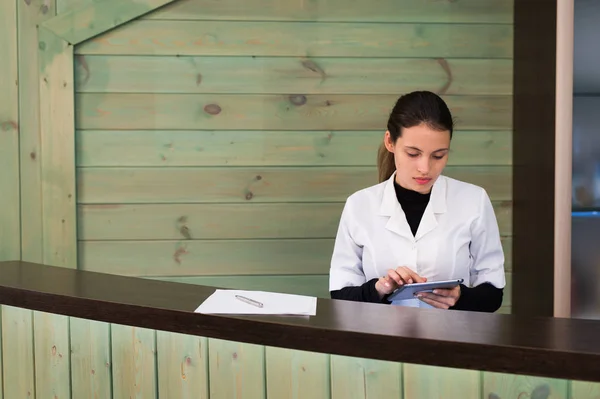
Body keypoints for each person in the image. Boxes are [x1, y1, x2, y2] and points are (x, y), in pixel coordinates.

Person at [328, 91, 505, 312]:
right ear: (390, 142)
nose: (425, 168)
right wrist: (380, 288)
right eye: (413, 153)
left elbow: (493, 292)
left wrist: (460, 297)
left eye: (438, 155)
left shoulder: (474, 200)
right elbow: (341, 294)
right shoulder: (359, 205)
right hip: (378, 341)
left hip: (453, 340)